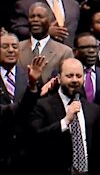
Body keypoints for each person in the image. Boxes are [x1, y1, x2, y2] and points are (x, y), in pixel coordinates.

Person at [29, 58, 100, 174]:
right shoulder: (42, 106)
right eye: (69, 76)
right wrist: (65, 121)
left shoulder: (93, 109)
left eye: (78, 76)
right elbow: (36, 140)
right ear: (59, 78)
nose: (75, 80)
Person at [0, 32, 47, 173]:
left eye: (15, 46)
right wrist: (31, 89)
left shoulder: (32, 76)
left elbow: (36, 112)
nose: (10, 50)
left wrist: (33, 84)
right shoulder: (31, 81)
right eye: (5, 46)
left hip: (27, 152)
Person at [17, 2, 73, 83]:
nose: (35, 20)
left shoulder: (65, 52)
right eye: (32, 17)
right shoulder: (16, 48)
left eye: (40, 16)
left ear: (50, 21)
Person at [73, 32, 100, 110]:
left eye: (94, 47)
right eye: (85, 47)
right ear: (75, 51)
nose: (91, 51)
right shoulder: (66, 74)